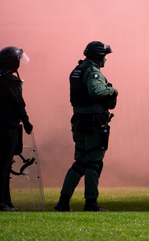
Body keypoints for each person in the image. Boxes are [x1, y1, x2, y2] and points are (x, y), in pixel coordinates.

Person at [55, 41, 118, 212]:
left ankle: (63, 202)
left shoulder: (77, 70)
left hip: (79, 121)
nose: (105, 59)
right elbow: (95, 91)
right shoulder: (92, 72)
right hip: (93, 123)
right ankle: (91, 203)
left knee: (79, 163)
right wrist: (112, 91)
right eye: (104, 56)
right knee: (94, 163)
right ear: (98, 56)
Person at [0, 46, 33, 212]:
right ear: (12, 61)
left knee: (4, 164)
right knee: (4, 165)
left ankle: (6, 201)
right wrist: (26, 122)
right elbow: (19, 104)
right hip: (9, 127)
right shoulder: (11, 81)